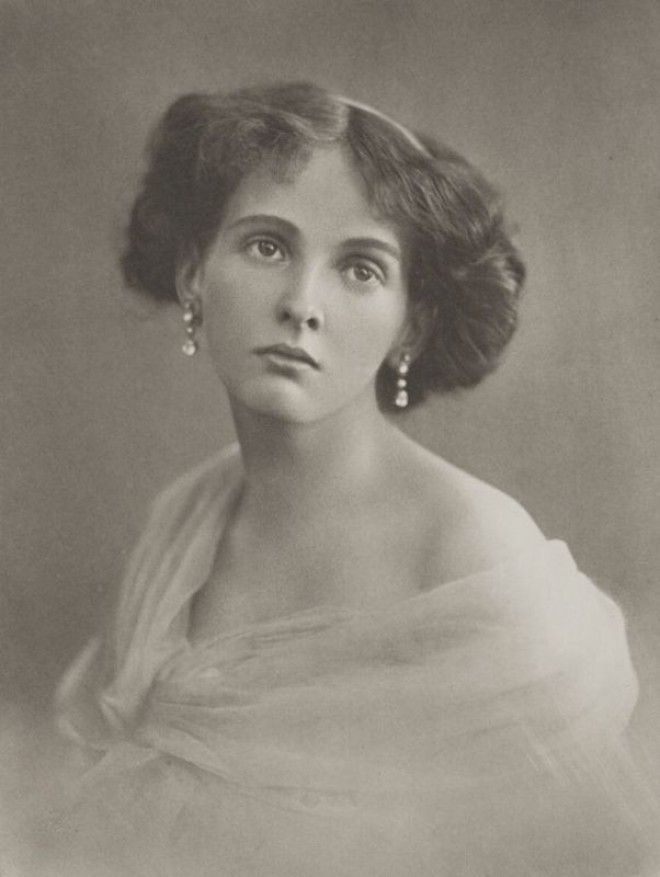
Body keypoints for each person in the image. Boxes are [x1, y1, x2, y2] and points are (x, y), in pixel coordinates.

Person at [31, 82, 658, 875]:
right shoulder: (181, 524)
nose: (302, 303)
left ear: (412, 324)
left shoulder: (472, 553)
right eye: (268, 247)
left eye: (360, 268)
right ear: (194, 273)